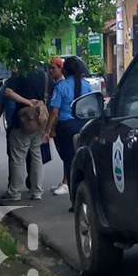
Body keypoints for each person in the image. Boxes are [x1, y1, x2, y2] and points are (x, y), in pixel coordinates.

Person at [43, 57, 92, 197]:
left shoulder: (61, 87)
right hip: (83, 124)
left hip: (66, 127)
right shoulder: (87, 85)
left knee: (69, 161)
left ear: (65, 70)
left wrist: (47, 131)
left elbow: (54, 111)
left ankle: (73, 196)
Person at [4, 68, 53, 201]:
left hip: (23, 121)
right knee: (37, 156)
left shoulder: (21, 73)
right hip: (41, 120)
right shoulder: (46, 76)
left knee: (18, 158)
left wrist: (27, 102)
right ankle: (36, 191)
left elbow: (8, 92)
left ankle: (15, 192)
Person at [46, 57, 68, 194]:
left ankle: (66, 182)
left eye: (54, 68)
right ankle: (64, 180)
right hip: (58, 123)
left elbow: (55, 110)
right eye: (50, 68)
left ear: (61, 69)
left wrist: (48, 128)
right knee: (63, 154)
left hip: (60, 123)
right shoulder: (56, 84)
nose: (51, 71)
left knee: (65, 153)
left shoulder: (61, 85)